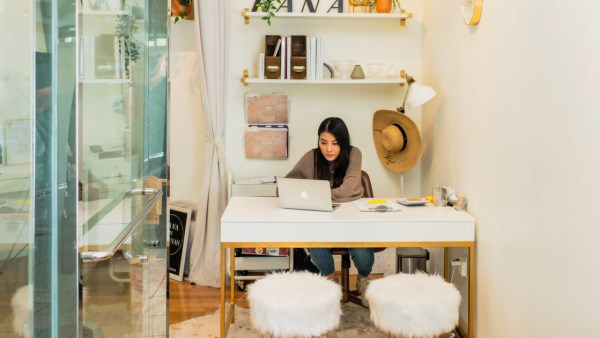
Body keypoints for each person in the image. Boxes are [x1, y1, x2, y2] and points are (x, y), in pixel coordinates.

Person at [285, 117, 374, 304]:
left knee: (363, 255)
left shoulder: (354, 154)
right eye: (323, 142)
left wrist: (316, 195)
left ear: (343, 142)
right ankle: (332, 282)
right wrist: (295, 193)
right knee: (316, 247)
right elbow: (288, 185)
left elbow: (349, 189)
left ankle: (362, 280)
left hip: (352, 219)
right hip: (323, 221)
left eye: (334, 143)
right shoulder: (312, 157)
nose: (328, 149)